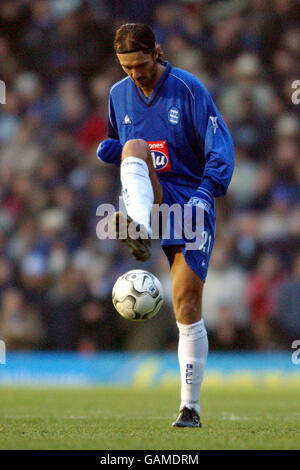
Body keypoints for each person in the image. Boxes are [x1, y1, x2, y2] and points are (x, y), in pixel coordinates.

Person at [97, 23, 234, 428]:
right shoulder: (118, 95)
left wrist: (206, 192)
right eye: (126, 68)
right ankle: (138, 227)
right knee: (134, 147)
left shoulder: (188, 89)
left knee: (187, 304)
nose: (134, 74)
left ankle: (189, 408)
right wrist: (110, 149)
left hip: (190, 199)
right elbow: (114, 142)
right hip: (150, 194)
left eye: (139, 65)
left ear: (156, 52)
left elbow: (220, 144)